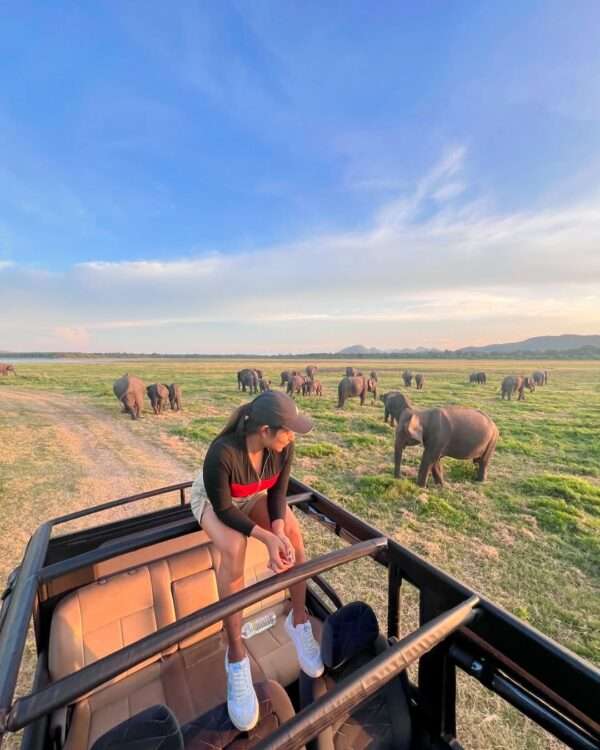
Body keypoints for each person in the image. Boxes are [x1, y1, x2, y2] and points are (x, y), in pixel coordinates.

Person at [190, 390, 324, 731]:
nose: (293, 437)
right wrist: (265, 539)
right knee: (234, 547)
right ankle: (235, 654)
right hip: (212, 502)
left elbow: (277, 495)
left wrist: (278, 532)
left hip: (250, 497)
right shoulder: (221, 455)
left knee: (293, 531)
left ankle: (298, 620)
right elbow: (223, 511)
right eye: (288, 430)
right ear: (264, 431)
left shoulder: (282, 449)